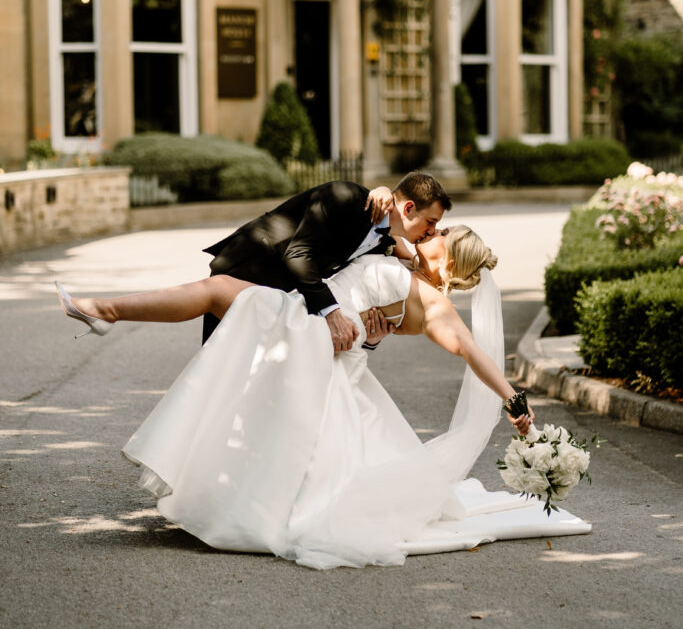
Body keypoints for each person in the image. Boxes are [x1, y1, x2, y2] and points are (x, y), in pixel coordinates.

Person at [55, 225, 591, 569]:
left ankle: (106, 310)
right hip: (314, 326)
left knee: (216, 295)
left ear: (447, 264)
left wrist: (513, 402)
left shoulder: (437, 306)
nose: (427, 236)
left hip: (311, 333)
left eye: (437, 239)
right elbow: (371, 252)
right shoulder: (404, 264)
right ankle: (105, 310)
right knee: (272, 405)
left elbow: (475, 354)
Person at [199, 172, 451, 351]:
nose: (432, 230)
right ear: (408, 208)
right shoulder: (346, 197)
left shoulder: (383, 242)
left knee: (249, 382)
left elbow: (396, 276)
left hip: (276, 297)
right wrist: (332, 313)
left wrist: (371, 339)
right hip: (244, 270)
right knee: (216, 372)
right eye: (431, 221)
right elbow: (298, 254)